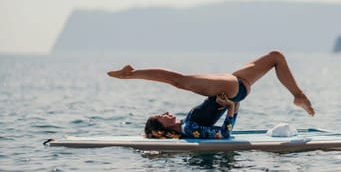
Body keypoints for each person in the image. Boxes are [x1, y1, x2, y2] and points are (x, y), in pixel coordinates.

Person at [107, 50, 315, 139]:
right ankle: (130, 74)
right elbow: (224, 135)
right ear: (163, 127)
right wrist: (232, 107)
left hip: (234, 89)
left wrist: (233, 104)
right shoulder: (189, 128)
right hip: (231, 91)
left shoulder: (187, 125)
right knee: (180, 81)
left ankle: (299, 96)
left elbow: (222, 130)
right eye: (162, 116)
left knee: (275, 56)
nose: (167, 113)